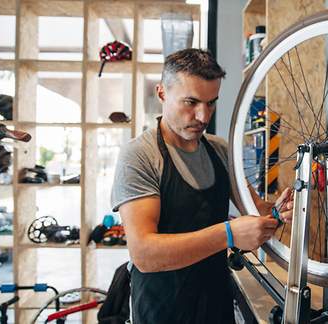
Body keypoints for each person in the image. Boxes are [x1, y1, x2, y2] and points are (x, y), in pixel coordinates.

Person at [111, 48, 294, 324]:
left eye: (211, 103)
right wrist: (228, 234)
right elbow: (144, 254)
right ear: (162, 93)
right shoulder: (140, 155)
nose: (203, 116)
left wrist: (278, 213)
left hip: (215, 303)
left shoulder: (219, 151)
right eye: (191, 102)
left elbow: (257, 212)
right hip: (162, 310)